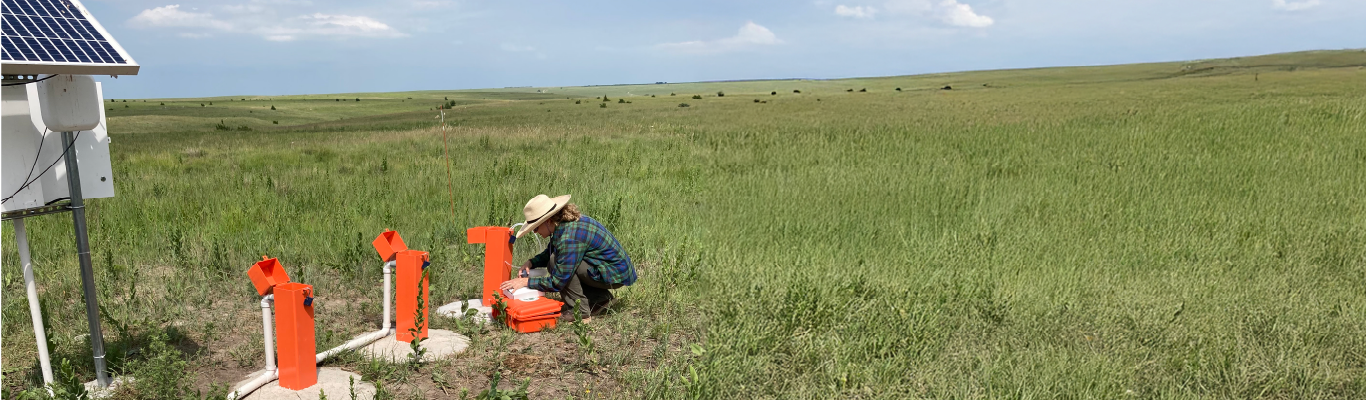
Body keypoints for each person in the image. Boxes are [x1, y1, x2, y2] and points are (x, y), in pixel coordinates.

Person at [498, 194, 636, 320]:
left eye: (536, 227)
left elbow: (557, 282)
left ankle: (580, 311)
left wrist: (525, 282)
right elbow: (552, 249)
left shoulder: (569, 238)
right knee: (557, 259)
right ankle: (600, 300)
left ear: (548, 221)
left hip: (614, 274)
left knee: (555, 262)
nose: (534, 231)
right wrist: (531, 262)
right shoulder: (565, 225)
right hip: (609, 269)